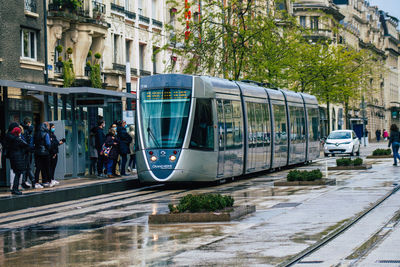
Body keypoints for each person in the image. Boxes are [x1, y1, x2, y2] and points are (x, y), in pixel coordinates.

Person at [5, 125, 29, 195]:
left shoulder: (9, 137)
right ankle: (15, 189)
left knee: (16, 172)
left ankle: (14, 189)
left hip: (13, 157)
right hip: (18, 158)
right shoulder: (16, 139)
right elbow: (25, 144)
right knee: (18, 173)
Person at [33, 122, 51, 188]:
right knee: (47, 167)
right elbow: (48, 143)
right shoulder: (46, 134)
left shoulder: (34, 134)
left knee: (38, 168)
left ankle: (36, 182)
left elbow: (31, 144)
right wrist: (48, 149)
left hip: (37, 153)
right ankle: (48, 181)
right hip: (45, 153)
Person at [21, 118, 35, 189]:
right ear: (29, 123)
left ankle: (26, 181)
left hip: (26, 151)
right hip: (27, 151)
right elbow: (28, 141)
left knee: (27, 167)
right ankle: (32, 181)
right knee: (27, 167)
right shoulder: (28, 130)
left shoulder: (24, 130)